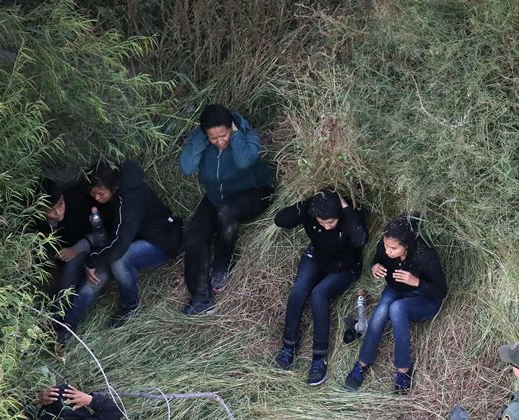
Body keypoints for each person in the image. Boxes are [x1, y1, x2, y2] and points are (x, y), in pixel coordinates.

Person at [56, 161, 182, 342]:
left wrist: (92, 260)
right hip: (128, 240)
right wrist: (95, 258)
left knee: (119, 260)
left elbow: (120, 244)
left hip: (160, 240)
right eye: (93, 194)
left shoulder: (130, 199)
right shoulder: (108, 197)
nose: (97, 198)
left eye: (101, 193)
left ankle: (129, 306)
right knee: (97, 276)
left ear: (113, 187)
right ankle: (66, 325)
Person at [178, 103, 275, 315]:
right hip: (215, 197)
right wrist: (201, 141)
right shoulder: (203, 142)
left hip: (255, 192)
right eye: (213, 138)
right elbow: (186, 167)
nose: (220, 142)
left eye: (224, 135)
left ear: (231, 127)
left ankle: (222, 264)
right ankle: (201, 298)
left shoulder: (247, 135)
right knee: (193, 234)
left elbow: (244, 161)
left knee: (226, 212)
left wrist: (237, 135)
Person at [273, 188, 368, 386]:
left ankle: (319, 358)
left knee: (318, 294)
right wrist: (309, 202)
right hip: (318, 258)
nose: (326, 227)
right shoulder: (311, 211)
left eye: (331, 222)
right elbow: (281, 220)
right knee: (299, 290)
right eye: (321, 222)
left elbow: (360, 239)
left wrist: (345, 207)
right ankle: (288, 347)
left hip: (345, 266)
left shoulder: (350, 214)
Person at [343, 214, 447, 395]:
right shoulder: (385, 249)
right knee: (383, 309)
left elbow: (441, 291)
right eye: (385, 245)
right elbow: (377, 259)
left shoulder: (424, 255)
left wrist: (417, 282)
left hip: (425, 297)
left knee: (397, 308)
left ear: (406, 245)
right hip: (396, 289)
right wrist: (374, 266)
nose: (388, 251)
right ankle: (363, 363)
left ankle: (403, 371)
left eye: (393, 248)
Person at [35, 178, 92, 300]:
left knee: (71, 267)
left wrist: (75, 250)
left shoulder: (76, 201)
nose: (58, 212)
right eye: (50, 210)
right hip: (55, 252)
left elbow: (100, 234)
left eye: (60, 204)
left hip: (83, 248)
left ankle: (56, 312)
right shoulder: (34, 217)